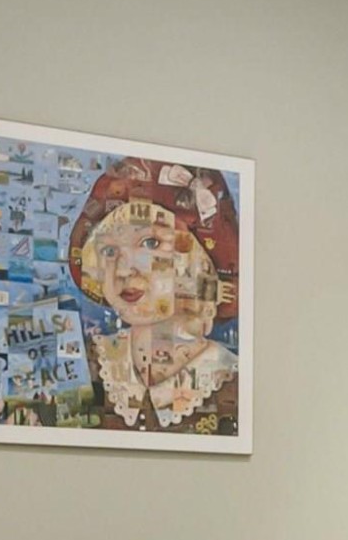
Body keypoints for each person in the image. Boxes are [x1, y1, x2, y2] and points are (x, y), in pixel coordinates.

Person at [63, 158, 240, 434]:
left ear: (198, 261)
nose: (122, 269)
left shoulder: (232, 381)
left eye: (150, 243)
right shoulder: (85, 363)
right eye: (109, 251)